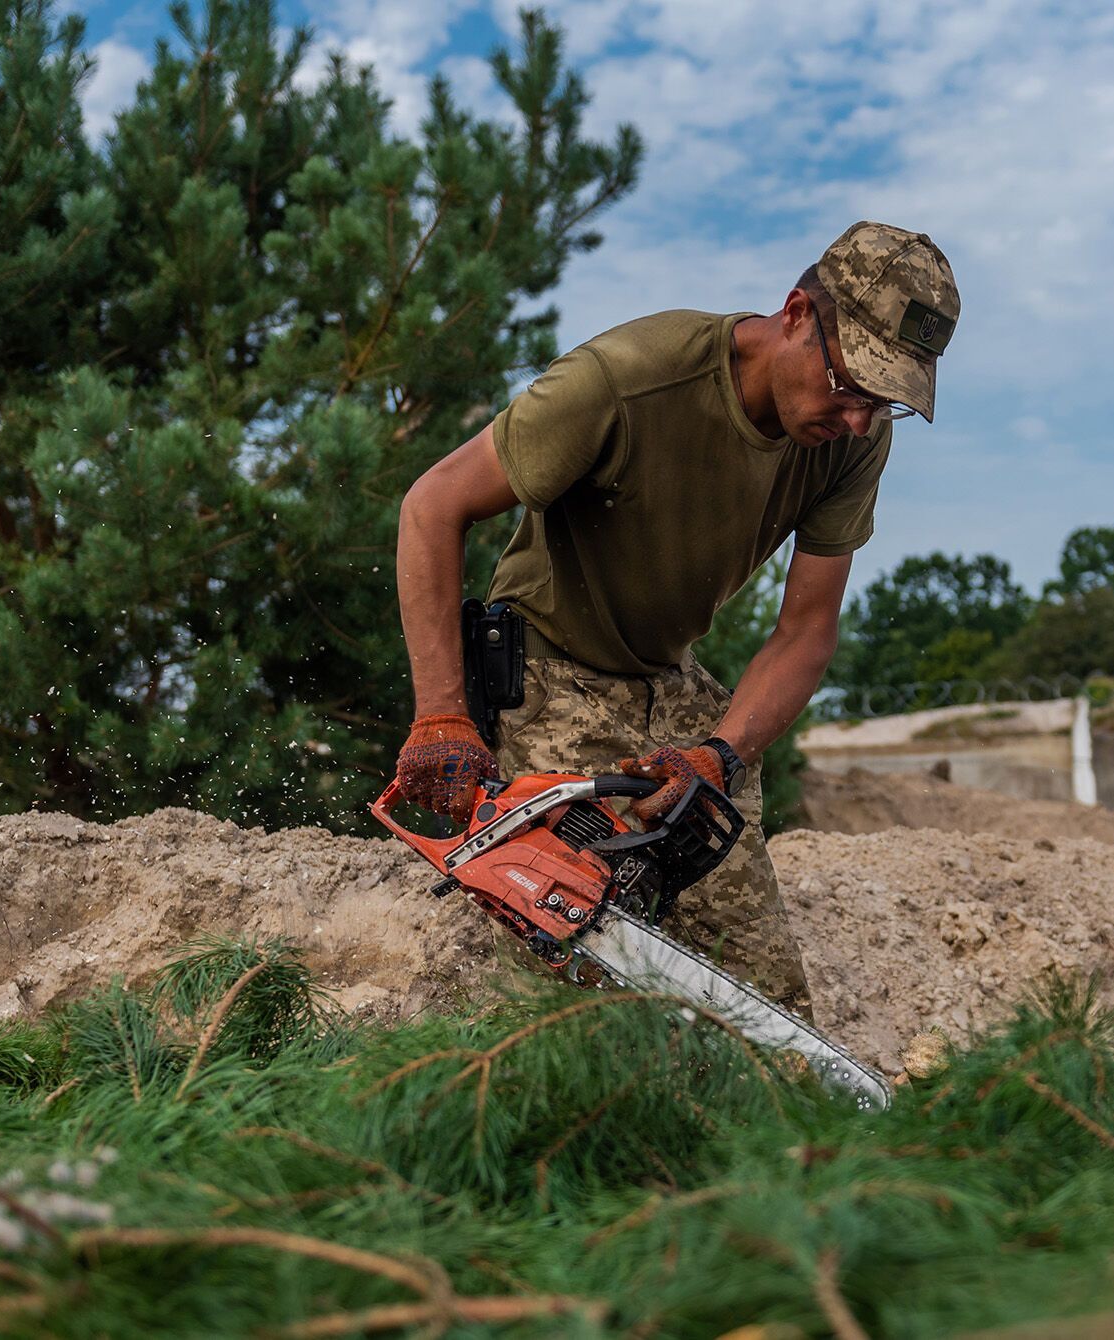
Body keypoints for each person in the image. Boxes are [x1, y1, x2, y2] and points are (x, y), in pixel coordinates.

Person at [393, 221, 959, 1018]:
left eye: (885, 402)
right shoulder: (627, 381)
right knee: (584, 965)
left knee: (758, 997)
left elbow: (806, 631)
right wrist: (443, 714)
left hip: (673, 692)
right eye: (852, 384)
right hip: (548, 668)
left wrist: (721, 755)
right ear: (796, 313)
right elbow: (432, 505)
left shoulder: (851, 439)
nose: (861, 420)